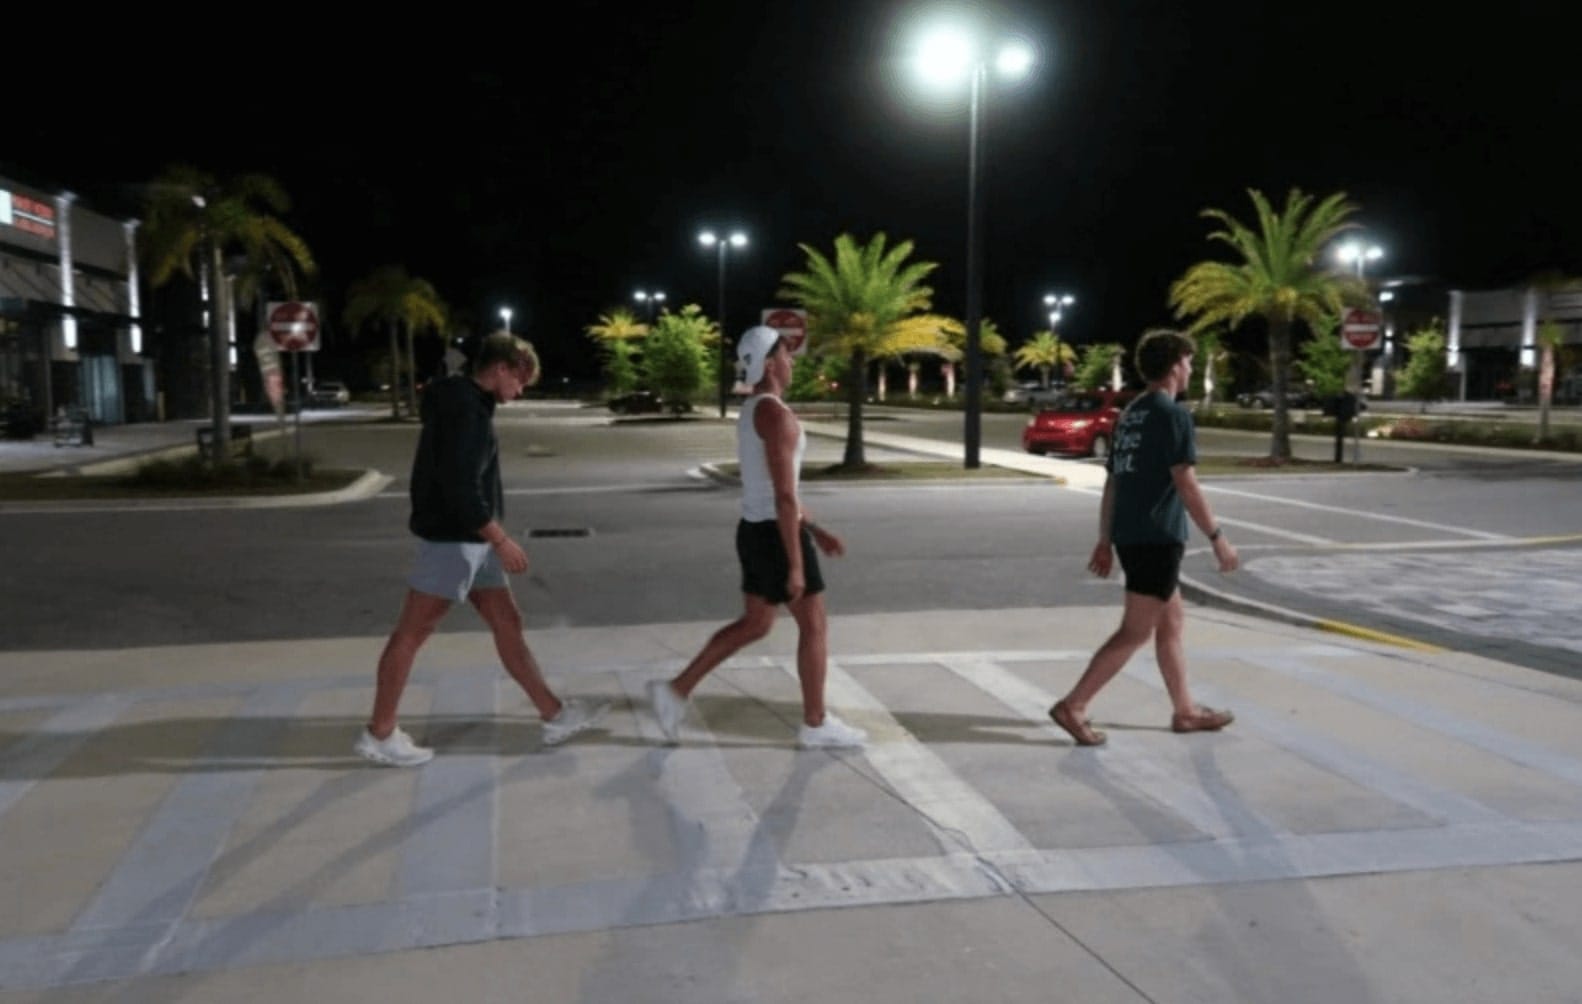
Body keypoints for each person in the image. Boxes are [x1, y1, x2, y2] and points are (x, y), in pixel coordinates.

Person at [355, 331, 608, 766]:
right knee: (411, 634)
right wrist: (501, 539)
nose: (522, 389)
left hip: (473, 540)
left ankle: (555, 715)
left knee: (507, 620)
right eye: (521, 379)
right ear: (500, 369)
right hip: (456, 539)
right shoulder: (465, 412)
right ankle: (380, 733)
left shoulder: (465, 403)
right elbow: (460, 488)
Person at [646, 326, 867, 749]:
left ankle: (674, 691)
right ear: (770, 363)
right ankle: (815, 725)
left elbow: (775, 489)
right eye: (787, 354)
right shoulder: (775, 414)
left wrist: (816, 531)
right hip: (775, 533)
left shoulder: (753, 409)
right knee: (814, 626)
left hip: (754, 528)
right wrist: (797, 564)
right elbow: (784, 496)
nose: (793, 361)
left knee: (756, 623)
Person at [1048, 328, 1239, 747]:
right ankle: (1074, 705)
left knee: (1170, 622)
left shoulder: (1130, 414)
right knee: (1135, 631)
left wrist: (1105, 538)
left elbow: (1114, 482)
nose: (1190, 369)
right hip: (1156, 538)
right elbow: (1184, 480)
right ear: (1175, 366)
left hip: (1132, 535)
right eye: (1188, 361)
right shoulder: (1172, 415)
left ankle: (1185, 711)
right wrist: (1217, 536)